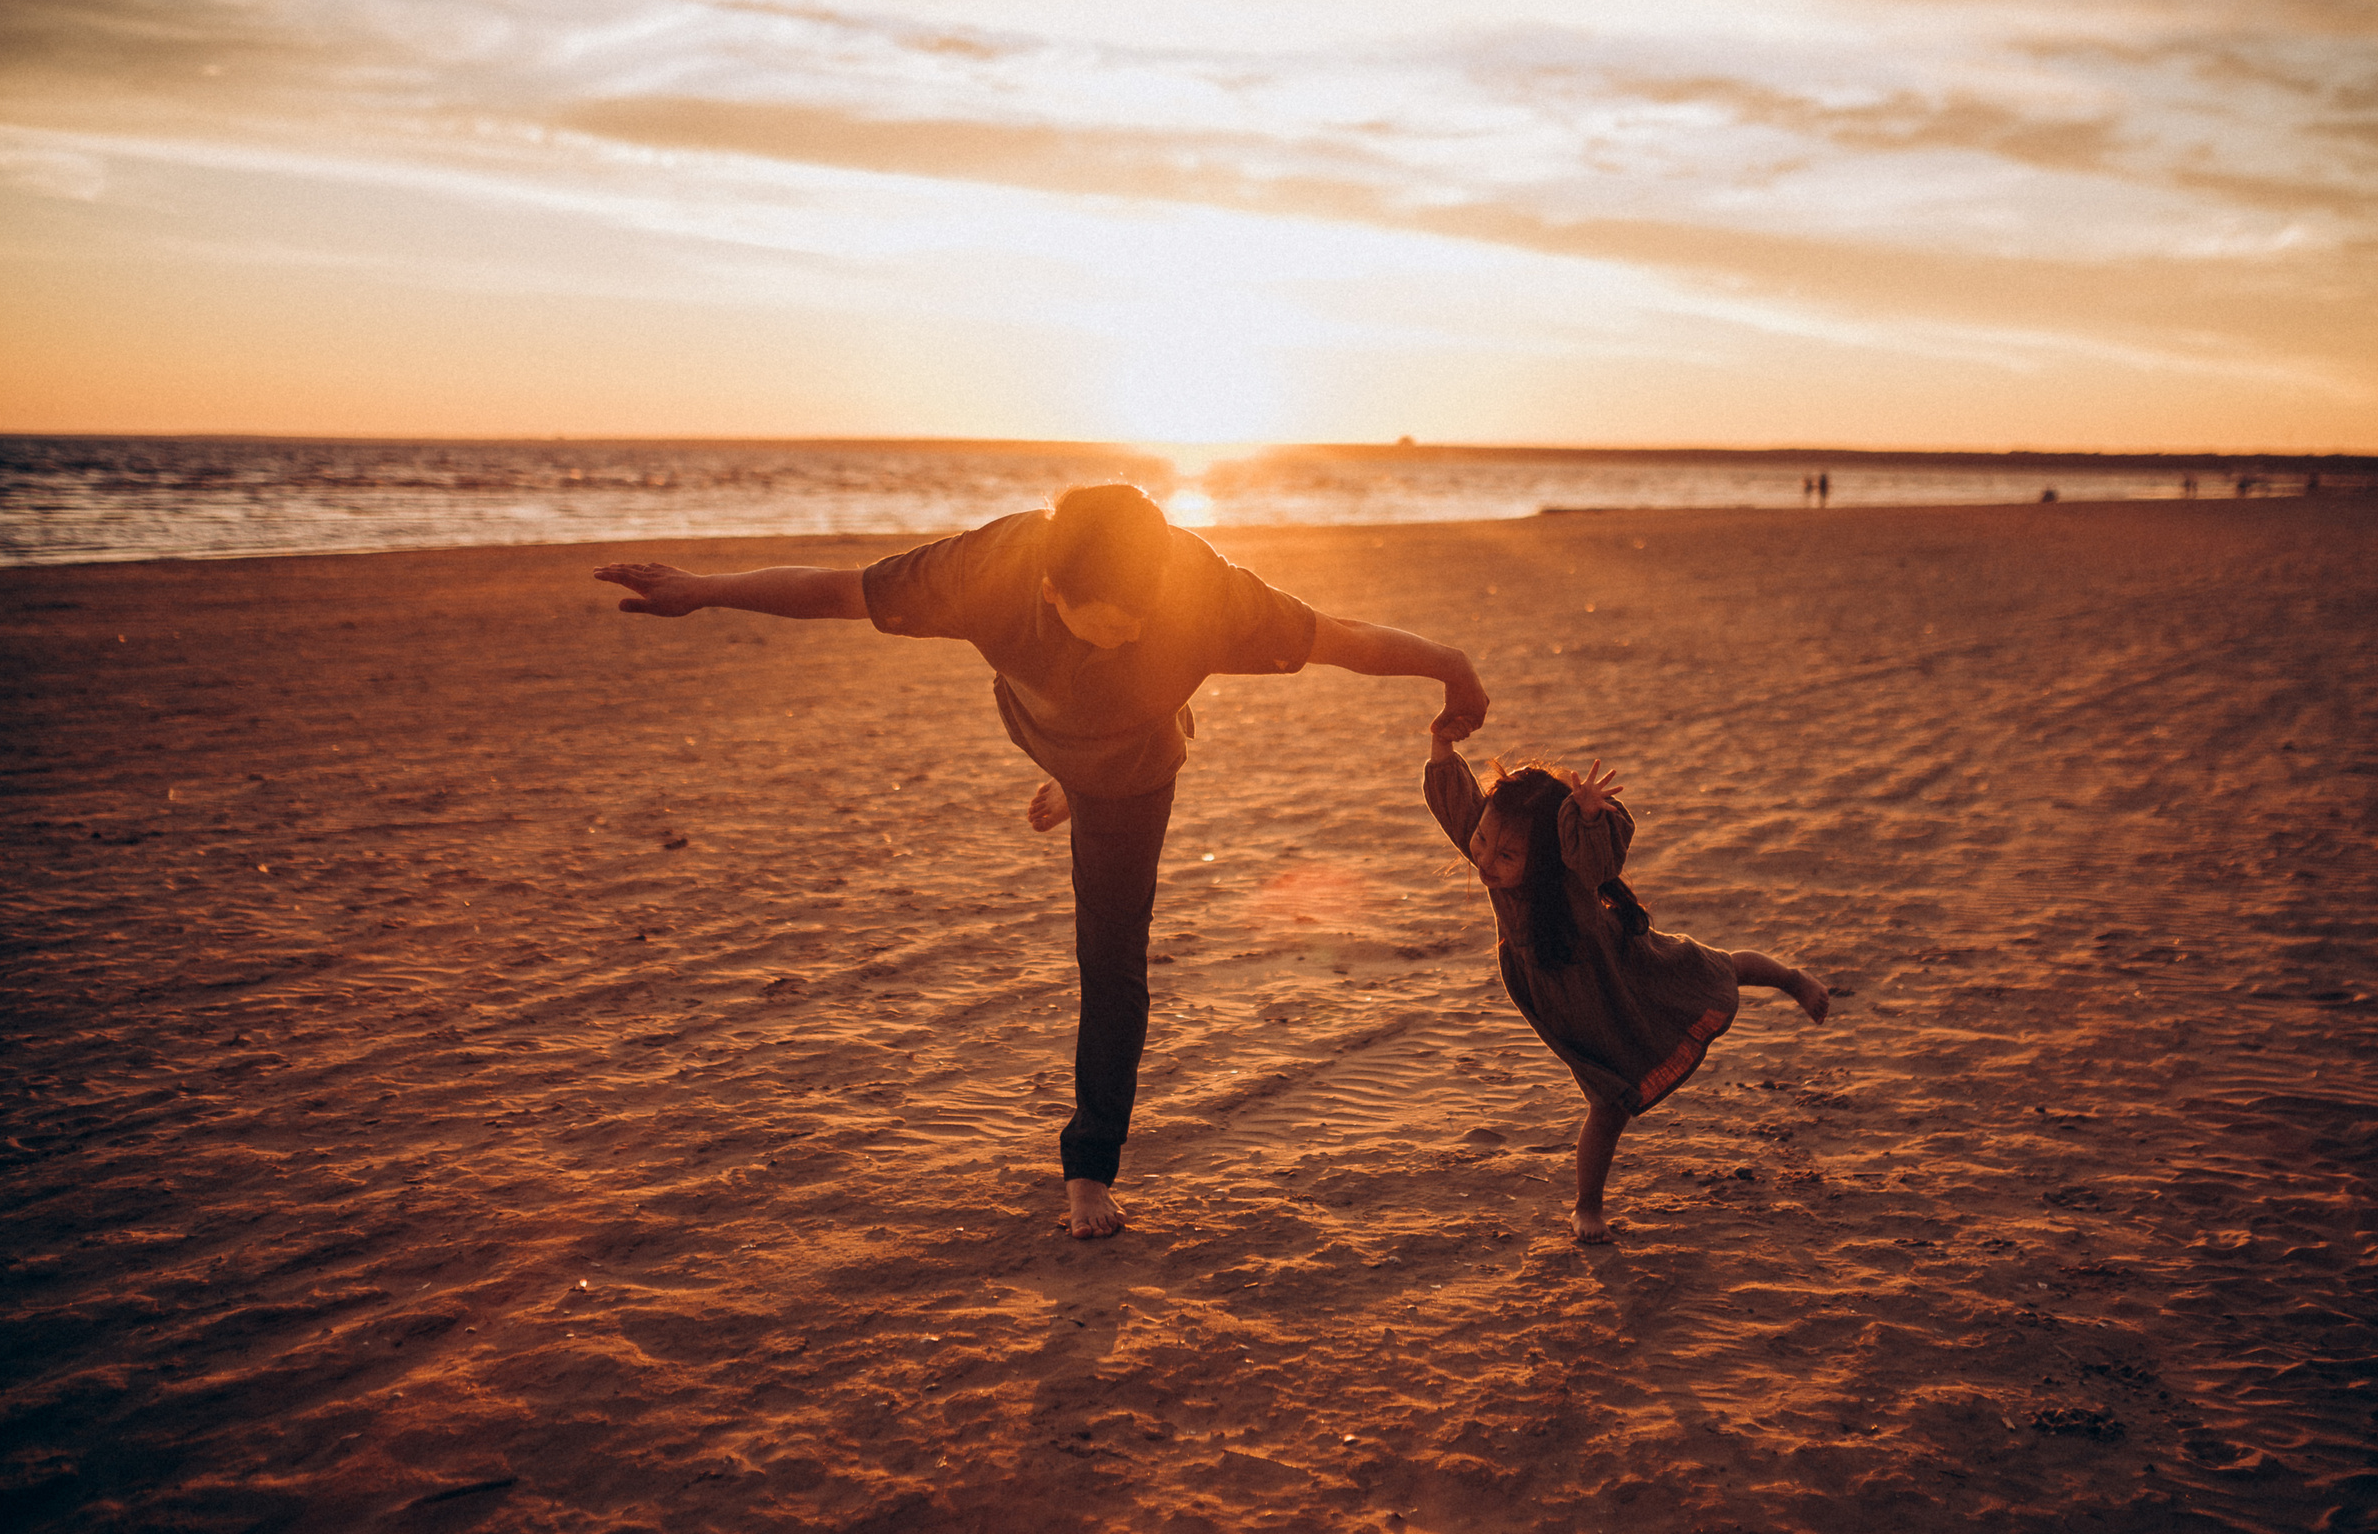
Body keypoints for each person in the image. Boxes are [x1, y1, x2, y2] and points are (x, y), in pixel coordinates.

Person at [595, 484, 1487, 1240]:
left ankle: (1089, 1166)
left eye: (1140, 622)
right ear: (1051, 589)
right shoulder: (990, 570)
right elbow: (841, 591)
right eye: (1107, 626)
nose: (1125, 635)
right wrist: (703, 590)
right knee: (1080, 727)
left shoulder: (1205, 595)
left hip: (1136, 767)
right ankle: (1076, 772)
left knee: (1111, 955)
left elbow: (1342, 638)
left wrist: (1449, 664)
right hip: (1040, 722)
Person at [1422, 735, 1828, 1243]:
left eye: (1506, 855)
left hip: (1625, 967)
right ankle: (1587, 1206)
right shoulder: (1492, 851)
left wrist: (1589, 818)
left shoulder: (1569, 873)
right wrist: (1441, 739)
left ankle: (1790, 978)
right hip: (1574, 1005)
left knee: (1717, 970)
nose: (1484, 861)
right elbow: (1456, 802)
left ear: (1547, 855)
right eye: (1482, 842)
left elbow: (1597, 861)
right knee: (1607, 1100)